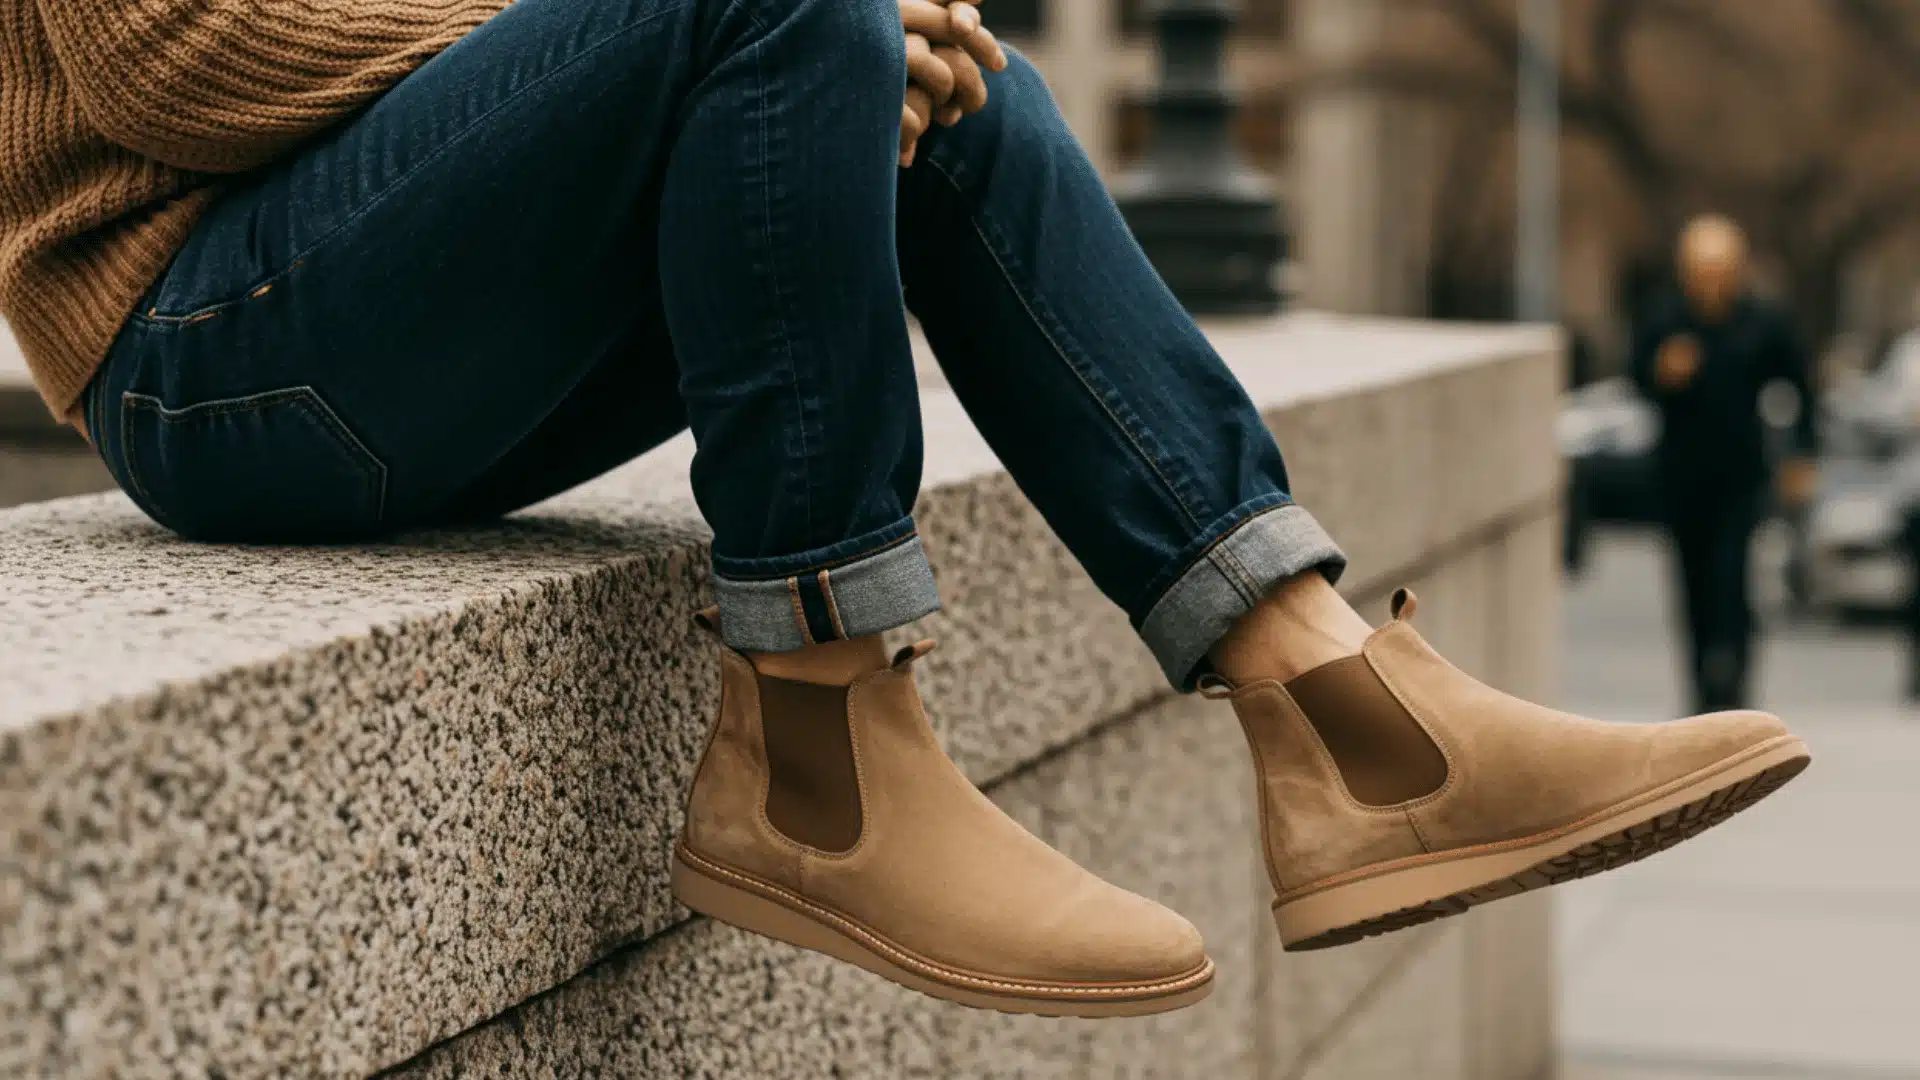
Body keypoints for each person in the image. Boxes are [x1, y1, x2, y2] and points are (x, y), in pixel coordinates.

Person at [1, 0, 1809, 1018]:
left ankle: (1337, 714)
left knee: (943, 81)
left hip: (393, 323)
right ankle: (820, 748)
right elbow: (181, 55)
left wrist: (856, 51)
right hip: (203, 341)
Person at [1631, 216, 1819, 714]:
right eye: (1700, 269)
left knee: (1733, 582)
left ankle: (1735, 687)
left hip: (1740, 478)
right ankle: (1698, 692)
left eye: (1719, 269)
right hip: (1681, 479)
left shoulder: (1760, 322)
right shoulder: (1665, 321)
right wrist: (1661, 375)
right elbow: (1636, 379)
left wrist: (1802, 453)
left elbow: (1802, 385)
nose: (1710, 280)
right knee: (1691, 586)